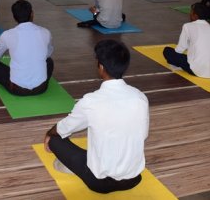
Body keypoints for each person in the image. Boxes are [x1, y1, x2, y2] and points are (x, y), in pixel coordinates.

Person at [44, 39, 148, 194]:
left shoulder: (91, 101)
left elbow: (63, 128)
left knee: (55, 140)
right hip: (133, 179)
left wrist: (49, 134)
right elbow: (143, 136)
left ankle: (75, 168)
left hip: (100, 184)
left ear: (101, 67)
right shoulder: (140, 97)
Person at [0, 0, 54, 96]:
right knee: (49, 61)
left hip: (17, 89)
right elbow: (48, 54)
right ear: (32, 14)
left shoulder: (7, 34)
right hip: (41, 88)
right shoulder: (45, 32)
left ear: (14, 17)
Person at [163, 3, 210, 78]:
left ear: (195, 16)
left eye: (191, 12)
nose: (189, 14)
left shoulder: (187, 26)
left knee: (167, 51)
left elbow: (180, 50)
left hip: (197, 70)